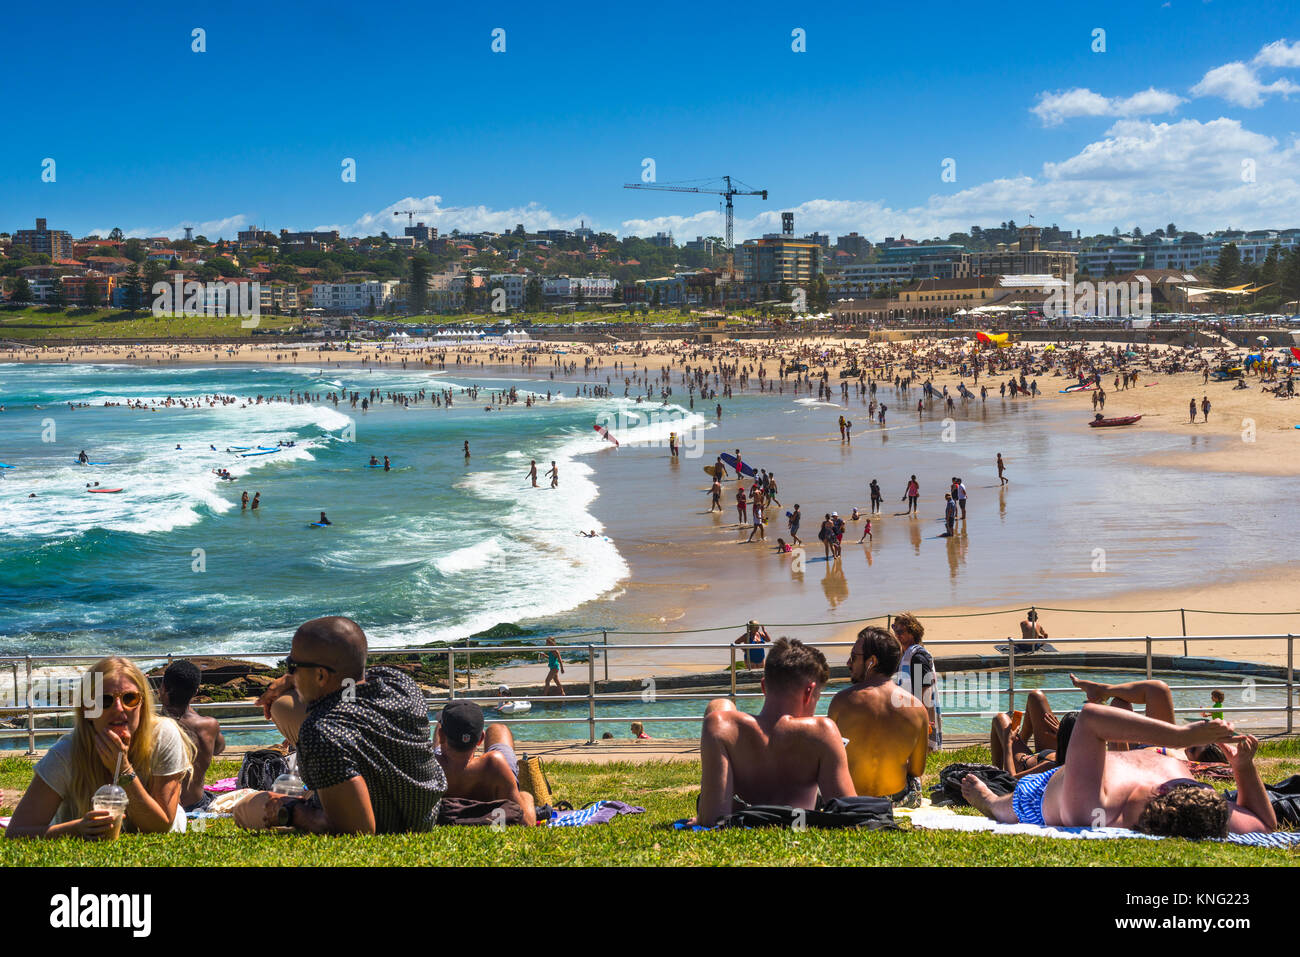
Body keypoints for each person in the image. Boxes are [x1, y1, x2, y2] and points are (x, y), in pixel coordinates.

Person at [250, 616, 446, 834]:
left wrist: (291, 812)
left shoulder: (321, 731)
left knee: (247, 807)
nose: (290, 674)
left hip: (381, 822)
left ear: (321, 675)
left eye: (293, 666)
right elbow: (351, 680)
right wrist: (291, 679)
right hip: (423, 817)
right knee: (283, 705)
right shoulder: (403, 686)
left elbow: (358, 830)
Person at [962, 700, 1275, 836]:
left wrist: (1182, 735)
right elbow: (1264, 822)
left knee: (1005, 808)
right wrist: (1243, 766)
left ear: (1163, 791)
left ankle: (988, 800)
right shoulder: (1204, 808)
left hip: (1049, 789)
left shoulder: (1094, 811)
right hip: (1115, 762)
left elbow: (1090, 718)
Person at [7, 657, 196, 838]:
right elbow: (17, 831)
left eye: (130, 698)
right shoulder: (67, 753)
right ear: (87, 709)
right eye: (104, 700)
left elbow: (160, 826)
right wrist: (77, 828)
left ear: (143, 704)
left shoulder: (163, 736)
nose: (119, 708)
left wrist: (123, 769)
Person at [691, 638, 855, 826]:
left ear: (763, 686)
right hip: (798, 821)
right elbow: (849, 814)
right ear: (809, 692)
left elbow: (712, 821)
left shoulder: (720, 726)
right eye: (816, 698)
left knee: (719, 705)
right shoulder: (823, 732)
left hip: (738, 813)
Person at [828, 627, 927, 803]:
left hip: (851, 798)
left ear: (871, 661)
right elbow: (917, 770)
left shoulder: (842, 702)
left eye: (853, 657)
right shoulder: (917, 708)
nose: (848, 663)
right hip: (895, 800)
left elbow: (829, 760)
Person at [435, 701, 536, 826]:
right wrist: (526, 797)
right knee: (498, 728)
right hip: (491, 777)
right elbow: (527, 822)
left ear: (441, 737)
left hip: (445, 765)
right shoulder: (494, 763)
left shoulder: (430, 764)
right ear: (481, 739)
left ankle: (443, 725)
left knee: (440, 726)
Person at [160, 660, 226, 813]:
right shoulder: (209, 726)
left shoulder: (156, 725)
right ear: (195, 692)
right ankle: (197, 826)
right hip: (197, 805)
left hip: (164, 804)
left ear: (163, 688)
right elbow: (219, 749)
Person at [892, 613, 941, 751]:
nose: (896, 634)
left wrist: (922, 721)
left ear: (912, 634)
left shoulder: (917, 658)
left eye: (900, 631)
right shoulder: (905, 656)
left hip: (917, 716)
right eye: (894, 629)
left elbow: (925, 691)